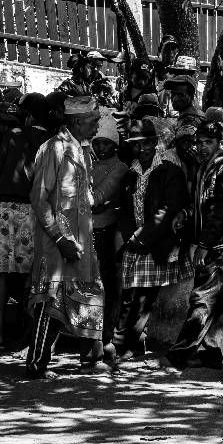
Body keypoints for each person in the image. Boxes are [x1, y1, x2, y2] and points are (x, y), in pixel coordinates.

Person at [169, 100, 223, 371]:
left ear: (218, 142)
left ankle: (181, 351)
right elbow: (204, 204)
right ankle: (211, 355)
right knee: (214, 302)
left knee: (202, 298)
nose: (201, 146)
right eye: (200, 142)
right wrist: (186, 212)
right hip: (211, 243)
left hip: (220, 245)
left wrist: (205, 244)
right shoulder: (206, 167)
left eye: (208, 142)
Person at [27, 98, 104, 376]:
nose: (98, 126)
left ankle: (90, 360)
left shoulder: (83, 149)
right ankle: (37, 363)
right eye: (94, 121)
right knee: (51, 301)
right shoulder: (54, 149)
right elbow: (40, 198)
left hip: (81, 239)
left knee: (84, 295)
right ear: (76, 122)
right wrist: (60, 239)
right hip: (58, 243)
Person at [115, 118, 200, 363]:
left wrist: (143, 237)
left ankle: (126, 343)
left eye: (145, 144)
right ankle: (127, 343)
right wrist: (132, 235)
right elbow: (124, 209)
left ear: (154, 143)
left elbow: (169, 208)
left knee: (144, 297)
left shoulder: (167, 171)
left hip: (156, 243)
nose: (140, 149)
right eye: (135, 144)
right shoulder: (130, 173)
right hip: (135, 242)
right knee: (131, 295)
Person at [0, 101, 41, 349]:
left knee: (0, 274)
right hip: (29, 208)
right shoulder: (44, 137)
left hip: (5, 207)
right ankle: (26, 332)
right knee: (28, 272)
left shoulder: (12, 135)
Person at [88, 111, 135, 357]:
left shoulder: (120, 168)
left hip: (110, 234)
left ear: (115, 144)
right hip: (90, 230)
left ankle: (106, 336)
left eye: (106, 143)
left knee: (110, 286)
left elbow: (96, 199)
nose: (101, 147)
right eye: (97, 143)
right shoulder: (91, 164)